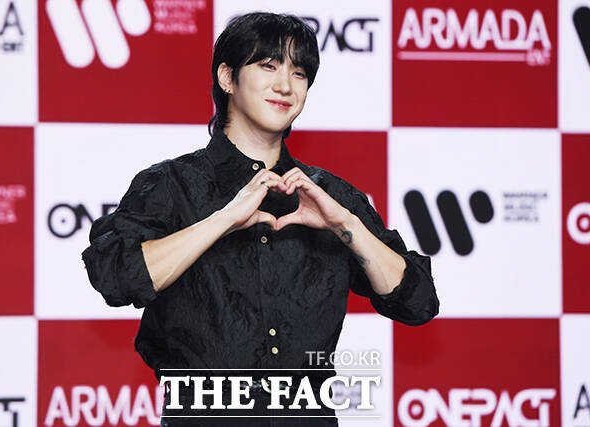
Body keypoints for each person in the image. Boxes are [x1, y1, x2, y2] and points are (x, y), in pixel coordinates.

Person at [82, 11, 439, 427]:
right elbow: (118, 278)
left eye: (299, 73)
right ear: (227, 78)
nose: (286, 86)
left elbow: (417, 303)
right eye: (268, 66)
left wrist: (348, 227)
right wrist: (222, 219)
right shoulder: (171, 185)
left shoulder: (329, 197)